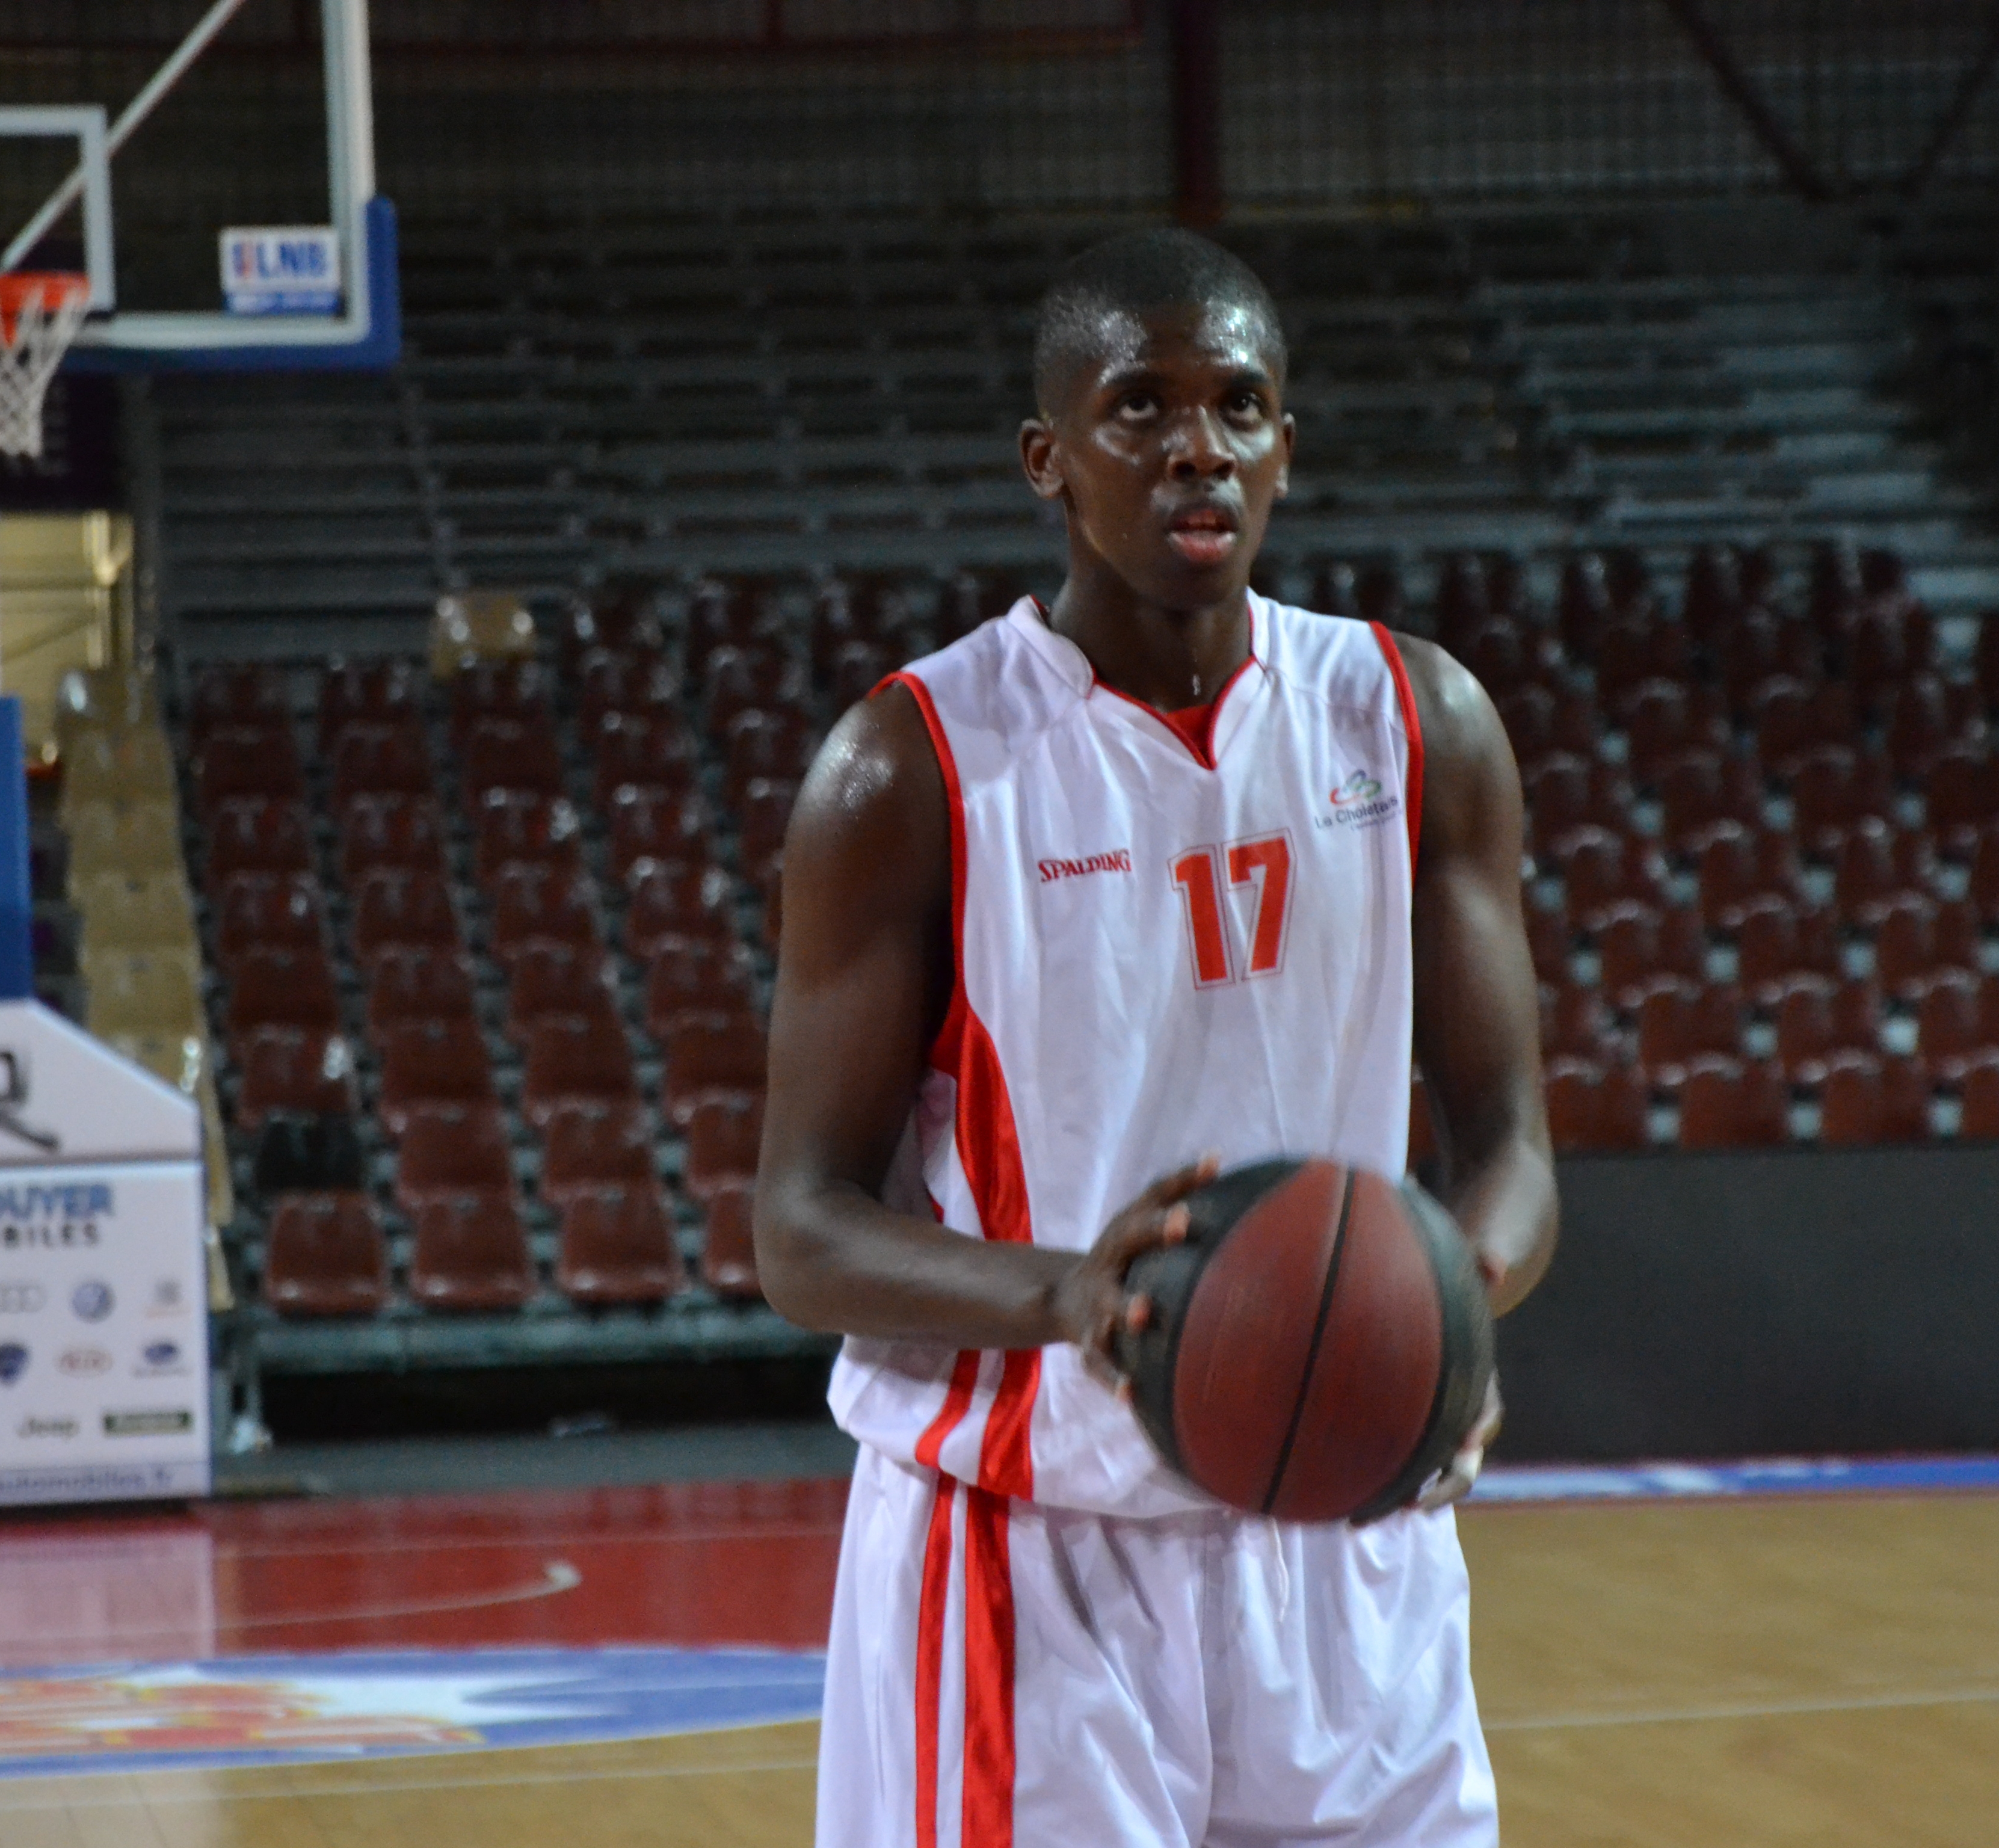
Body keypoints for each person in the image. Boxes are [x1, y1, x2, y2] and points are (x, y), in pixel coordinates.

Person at [754, 226, 1555, 1848]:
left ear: (1285, 452)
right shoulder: (908, 766)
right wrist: (1074, 1295)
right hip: (1029, 1549)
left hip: (1349, 1544)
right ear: (1049, 459)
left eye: (1240, 407)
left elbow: (1513, 1147)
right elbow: (800, 1230)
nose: (1199, 445)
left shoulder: (1414, 723)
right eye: (1141, 409)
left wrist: (1450, 1308)